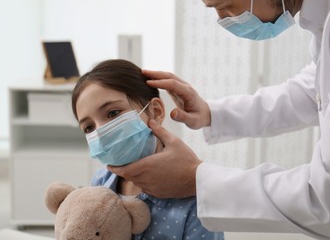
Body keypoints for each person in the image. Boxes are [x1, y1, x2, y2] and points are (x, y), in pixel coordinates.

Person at [108, 0, 330, 239]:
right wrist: (211, 114)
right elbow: (315, 88)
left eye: (224, 7)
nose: (225, 20)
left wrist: (195, 179)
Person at [71, 59, 224, 240]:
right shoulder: (100, 183)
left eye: (113, 113)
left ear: (156, 111)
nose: (101, 132)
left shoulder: (195, 201)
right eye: (89, 127)